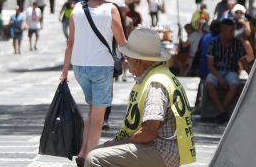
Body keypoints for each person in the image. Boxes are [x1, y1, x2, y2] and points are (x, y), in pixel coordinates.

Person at [84, 27, 196, 167]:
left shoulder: (156, 84)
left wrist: (117, 144)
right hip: (160, 148)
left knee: (95, 159)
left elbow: (149, 132)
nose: (126, 61)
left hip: (162, 151)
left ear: (138, 60)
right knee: (97, 152)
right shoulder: (159, 75)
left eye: (127, 57)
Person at [61, 0, 128, 164]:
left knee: (93, 111)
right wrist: (133, 62)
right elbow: (122, 41)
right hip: (101, 67)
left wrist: (65, 71)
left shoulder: (77, 9)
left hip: (80, 67)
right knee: (98, 116)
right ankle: (90, 157)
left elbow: (70, 42)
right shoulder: (111, 9)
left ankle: (83, 152)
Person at [205, 18, 253, 122]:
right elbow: (210, 65)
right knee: (209, 84)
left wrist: (252, 76)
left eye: (233, 31)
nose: (233, 33)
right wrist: (219, 78)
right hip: (216, 71)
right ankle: (222, 111)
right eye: (230, 31)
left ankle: (221, 110)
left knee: (235, 85)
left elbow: (244, 63)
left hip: (231, 71)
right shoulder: (214, 44)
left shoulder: (237, 44)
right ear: (223, 32)